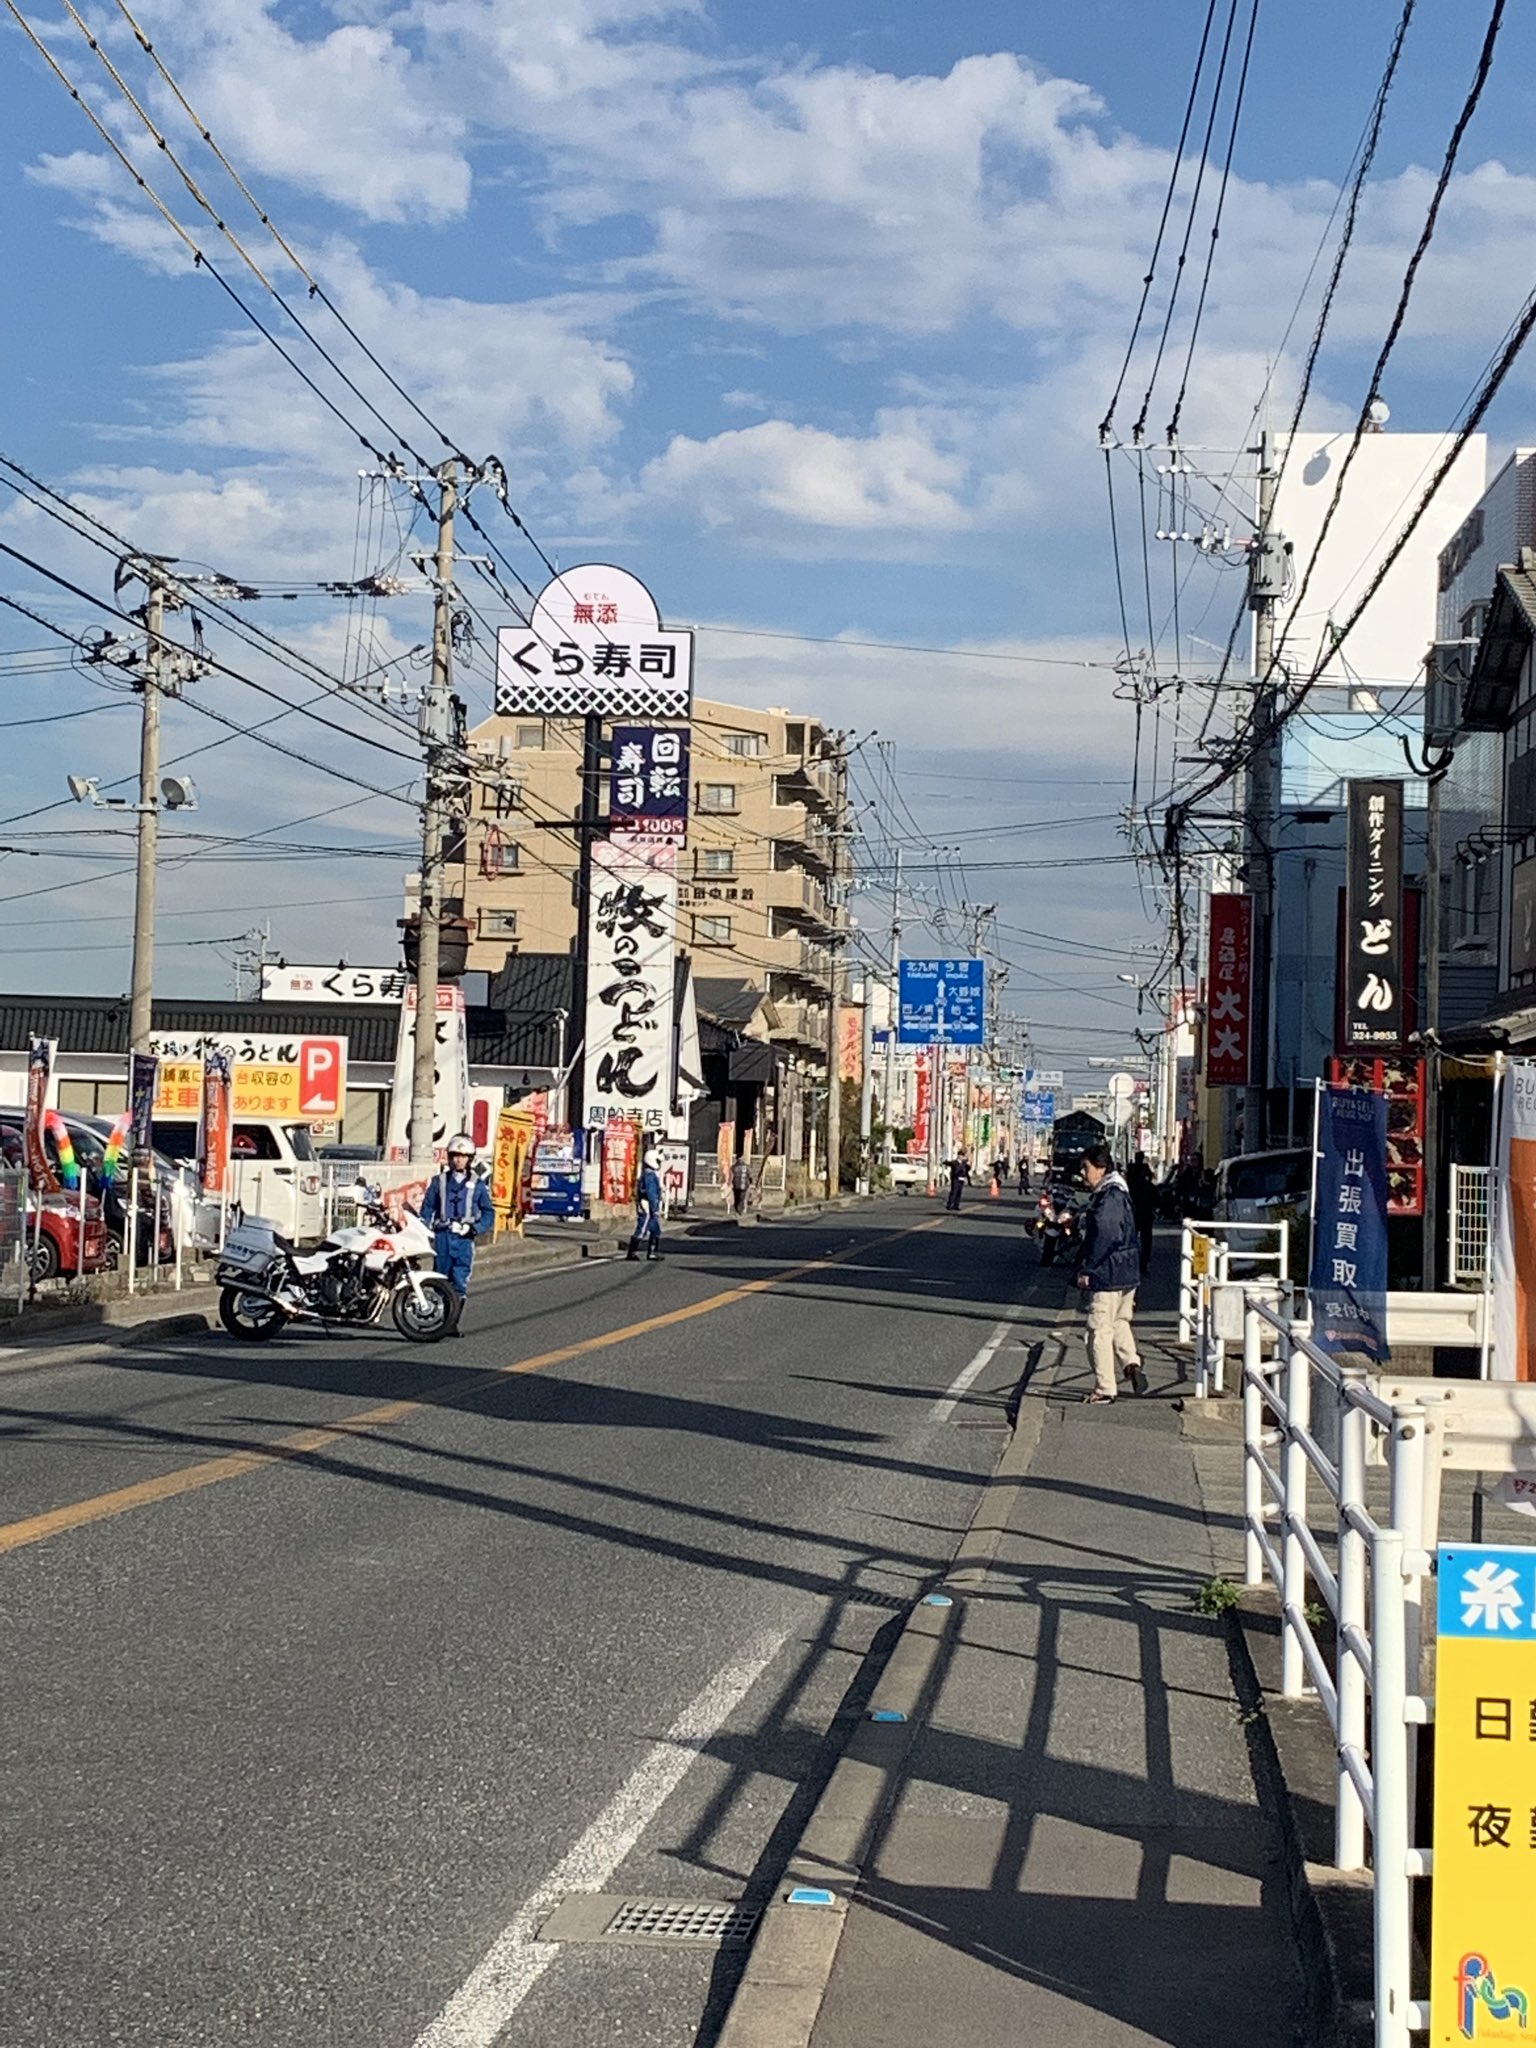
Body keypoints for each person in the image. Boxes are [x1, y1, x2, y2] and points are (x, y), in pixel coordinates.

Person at [1075, 1142, 1146, 1403]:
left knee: (1098, 1330)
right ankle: (1131, 1363)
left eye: (1086, 1168)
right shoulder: (1120, 1192)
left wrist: (1087, 1268)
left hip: (1108, 1272)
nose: (1083, 1174)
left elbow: (1104, 1234)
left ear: (1101, 1169)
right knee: (1119, 1321)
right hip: (1127, 1270)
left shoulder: (1109, 1197)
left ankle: (1105, 1388)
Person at [419, 1133, 494, 1328]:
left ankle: (452, 1323)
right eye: (454, 1155)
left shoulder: (478, 1184)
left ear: (470, 1158)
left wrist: (476, 1229)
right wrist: (423, 1230)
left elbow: (488, 1212)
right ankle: (441, 1320)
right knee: (440, 1278)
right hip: (443, 1235)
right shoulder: (438, 1182)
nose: (458, 1160)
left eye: (463, 1156)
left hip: (464, 1239)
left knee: (460, 1280)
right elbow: (427, 1209)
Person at [629, 1149, 665, 1261]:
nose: (659, 1164)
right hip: (647, 1205)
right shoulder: (649, 1176)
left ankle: (652, 1252)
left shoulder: (649, 1174)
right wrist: (655, 1208)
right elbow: (651, 1193)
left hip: (648, 1204)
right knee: (642, 1228)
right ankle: (632, 1252)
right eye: (658, 1161)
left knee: (655, 1230)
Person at [1126, 1150, 1158, 1276]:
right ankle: (1143, 1265)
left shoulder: (1131, 1178)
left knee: (1131, 1240)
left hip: (1133, 1213)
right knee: (1146, 1242)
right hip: (1146, 1213)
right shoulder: (1148, 1186)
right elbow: (1156, 1200)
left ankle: (1130, 1264)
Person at [730, 1152, 755, 1218]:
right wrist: (751, 1182)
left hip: (735, 1185)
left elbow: (731, 1176)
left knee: (736, 1198)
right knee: (742, 1198)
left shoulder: (733, 1167)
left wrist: (730, 1183)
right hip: (744, 1185)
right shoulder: (747, 1167)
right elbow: (750, 1176)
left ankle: (737, 1210)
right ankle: (739, 1211)